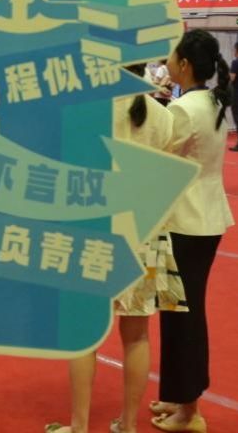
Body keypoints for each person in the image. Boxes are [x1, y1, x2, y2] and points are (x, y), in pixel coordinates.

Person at [49, 69, 185, 433]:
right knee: (138, 334)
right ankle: (128, 424)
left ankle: (79, 426)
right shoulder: (161, 114)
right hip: (145, 232)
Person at [149, 30, 235, 433]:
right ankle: (179, 396)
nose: (166, 62)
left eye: (171, 56)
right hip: (205, 217)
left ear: (183, 65)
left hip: (184, 221)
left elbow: (159, 156)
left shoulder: (184, 109)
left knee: (181, 318)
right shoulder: (210, 101)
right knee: (180, 313)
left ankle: (189, 411)